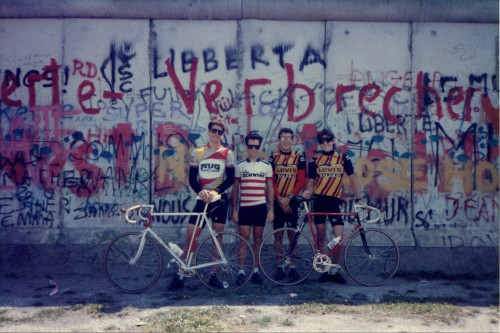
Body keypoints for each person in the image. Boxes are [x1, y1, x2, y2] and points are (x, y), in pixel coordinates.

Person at [168, 117, 235, 291]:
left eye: (220, 132)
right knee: (191, 237)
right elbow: (192, 179)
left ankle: (213, 275)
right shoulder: (198, 152)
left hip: (219, 200)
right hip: (201, 199)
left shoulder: (228, 153)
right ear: (209, 131)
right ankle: (181, 275)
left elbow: (230, 180)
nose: (216, 134)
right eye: (214, 130)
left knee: (217, 238)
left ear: (223, 134)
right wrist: (201, 191)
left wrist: (216, 192)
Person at [302, 129, 363, 284]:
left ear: (333, 140)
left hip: (334, 202)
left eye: (328, 140)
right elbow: (310, 181)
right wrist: (308, 191)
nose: (326, 143)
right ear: (319, 143)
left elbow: (352, 179)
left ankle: (335, 269)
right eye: (322, 141)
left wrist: (359, 198)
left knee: (338, 239)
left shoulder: (343, 158)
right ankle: (326, 268)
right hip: (319, 201)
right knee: (321, 237)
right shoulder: (315, 160)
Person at [232, 131, 274, 285]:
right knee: (243, 240)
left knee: (258, 239)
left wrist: (271, 209)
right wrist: (234, 209)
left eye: (256, 146)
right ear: (247, 147)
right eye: (251, 146)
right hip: (245, 208)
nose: (254, 149)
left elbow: (270, 189)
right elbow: (235, 189)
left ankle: (256, 271)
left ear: (260, 147)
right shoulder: (239, 165)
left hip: (260, 208)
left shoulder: (266, 166)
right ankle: (241, 271)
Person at [268, 128, 306, 282]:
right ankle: (280, 266)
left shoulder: (299, 158)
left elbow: (301, 180)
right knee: (278, 236)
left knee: (293, 235)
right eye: (282, 137)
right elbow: (271, 182)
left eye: (288, 138)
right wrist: (280, 199)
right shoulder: (273, 158)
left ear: (293, 140)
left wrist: (289, 197)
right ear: (278, 139)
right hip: (278, 202)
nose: (285, 140)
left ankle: (292, 267)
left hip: (293, 202)